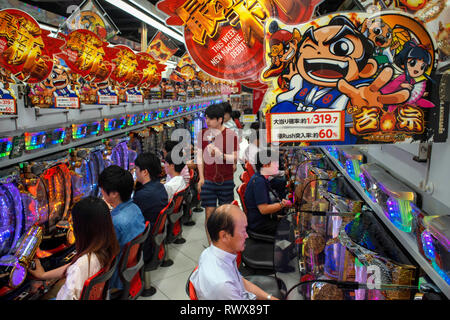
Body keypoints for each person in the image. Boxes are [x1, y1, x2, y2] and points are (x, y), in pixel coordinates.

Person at [29, 197, 120, 300]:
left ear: (83, 229)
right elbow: (73, 266)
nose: (71, 227)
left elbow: (77, 268)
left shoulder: (81, 265)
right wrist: (43, 275)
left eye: (74, 223)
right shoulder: (107, 247)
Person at [190, 204, 280, 300]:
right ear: (224, 236)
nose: (246, 235)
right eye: (243, 231)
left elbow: (240, 282)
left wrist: (270, 298)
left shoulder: (212, 253)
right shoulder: (223, 286)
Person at [98, 165, 146, 290]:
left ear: (114, 194)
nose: (101, 192)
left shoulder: (115, 223)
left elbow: (101, 256)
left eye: (102, 188)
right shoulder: (135, 208)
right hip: (130, 271)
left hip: (114, 279)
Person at [197, 102, 238, 244]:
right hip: (208, 180)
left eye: (210, 118)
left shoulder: (230, 134)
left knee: (224, 215)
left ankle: (223, 244)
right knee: (209, 214)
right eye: (206, 118)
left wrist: (222, 156)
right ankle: (211, 246)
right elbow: (199, 157)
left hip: (225, 180)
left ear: (219, 119)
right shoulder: (202, 134)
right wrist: (201, 177)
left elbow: (236, 157)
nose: (207, 121)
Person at [244, 149, 293, 236]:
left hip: (263, 219)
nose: (278, 166)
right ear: (266, 165)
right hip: (259, 224)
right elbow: (264, 209)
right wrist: (282, 204)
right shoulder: (259, 182)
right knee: (292, 230)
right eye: (275, 163)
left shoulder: (261, 178)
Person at [133, 152, 169, 227]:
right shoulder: (160, 186)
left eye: (136, 168)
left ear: (145, 172)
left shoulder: (142, 195)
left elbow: (131, 218)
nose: (135, 172)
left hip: (146, 234)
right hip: (156, 230)